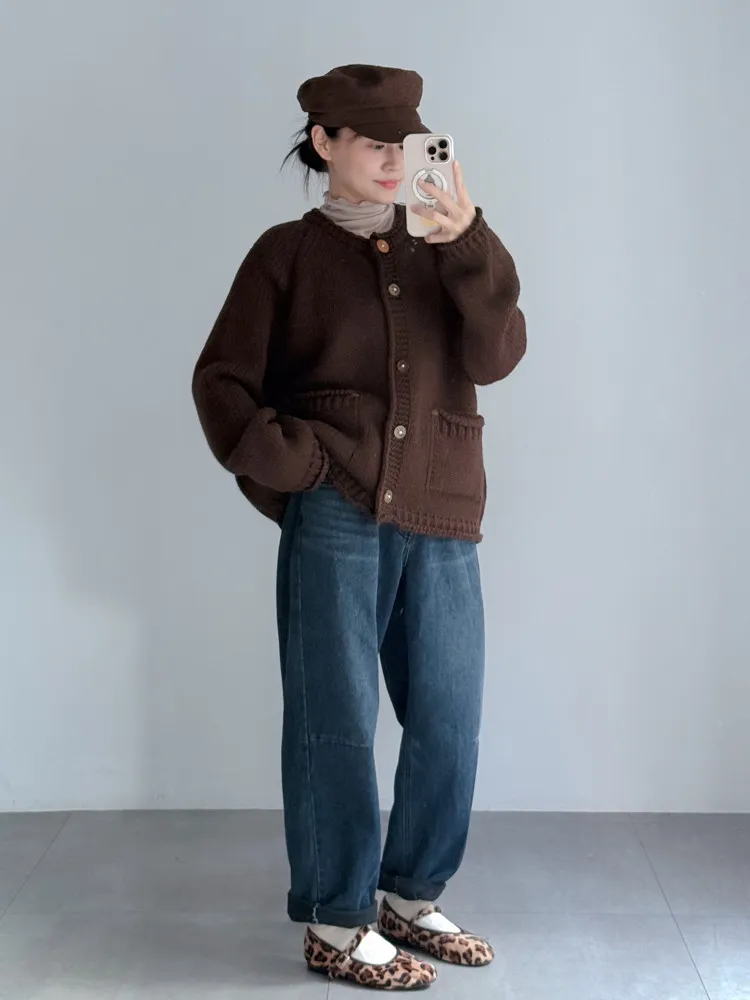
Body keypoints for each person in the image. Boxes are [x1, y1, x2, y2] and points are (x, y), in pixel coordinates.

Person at [192, 64, 526, 991]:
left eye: (405, 143)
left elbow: (498, 355)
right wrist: (298, 465)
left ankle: (410, 896)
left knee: (449, 717)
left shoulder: (445, 245)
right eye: (373, 141)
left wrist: (469, 242)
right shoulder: (285, 255)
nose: (391, 159)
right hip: (338, 510)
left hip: (442, 509)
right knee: (334, 719)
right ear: (324, 142)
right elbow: (221, 383)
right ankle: (336, 921)